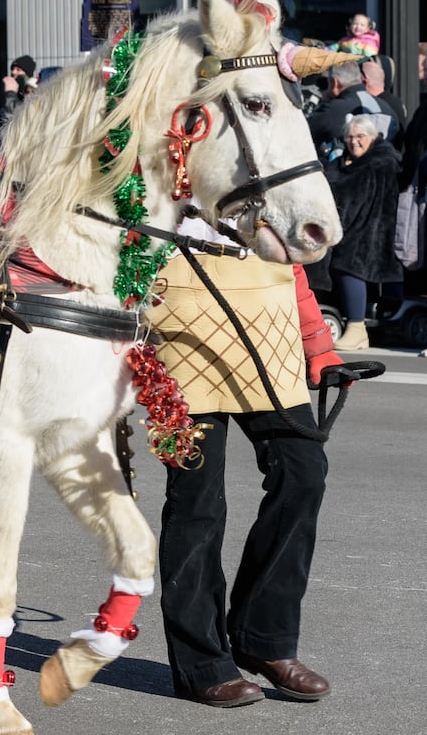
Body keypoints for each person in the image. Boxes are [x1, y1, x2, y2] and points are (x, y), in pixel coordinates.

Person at [150, 251, 343, 709]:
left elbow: (292, 259)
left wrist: (316, 341)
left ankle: (264, 639)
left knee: (304, 473)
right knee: (197, 499)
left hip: (269, 334)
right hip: (178, 337)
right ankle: (203, 664)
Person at [324, 116, 403, 349]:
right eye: (349, 137)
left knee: (349, 260)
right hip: (350, 224)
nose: (354, 142)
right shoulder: (344, 161)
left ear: (373, 137)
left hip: (374, 229)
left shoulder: (383, 161)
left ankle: (357, 328)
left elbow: (354, 193)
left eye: (360, 137)